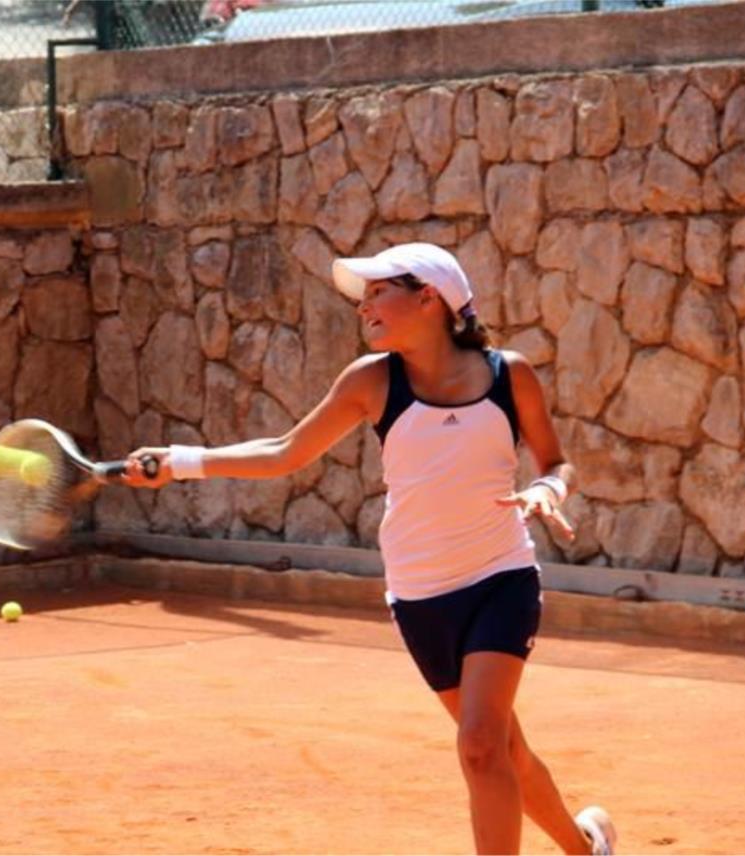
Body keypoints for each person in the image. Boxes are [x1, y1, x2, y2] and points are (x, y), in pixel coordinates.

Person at [122, 242, 617, 855]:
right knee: (503, 748)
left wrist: (546, 486)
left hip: (500, 578)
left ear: (429, 298)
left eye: (379, 291)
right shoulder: (370, 382)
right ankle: (586, 845)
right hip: (420, 596)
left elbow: (557, 460)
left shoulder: (507, 375)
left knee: (480, 746)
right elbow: (285, 452)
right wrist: (182, 462)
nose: (365, 308)